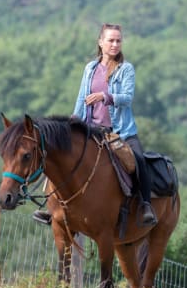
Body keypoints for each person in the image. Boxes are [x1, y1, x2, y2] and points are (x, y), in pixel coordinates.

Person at [33, 23, 157, 227]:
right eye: (111, 40)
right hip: (91, 130)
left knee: (139, 159)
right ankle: (52, 207)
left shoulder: (126, 69)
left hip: (120, 132)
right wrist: (73, 122)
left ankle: (145, 205)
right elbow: (82, 98)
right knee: (60, 156)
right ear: (101, 42)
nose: (115, 44)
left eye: (118, 40)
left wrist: (105, 96)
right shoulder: (90, 68)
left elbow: (127, 98)